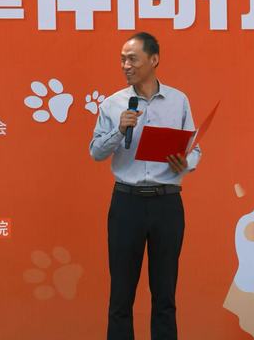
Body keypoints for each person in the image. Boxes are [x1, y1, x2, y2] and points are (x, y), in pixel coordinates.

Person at [89, 32, 202, 340]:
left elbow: (195, 149)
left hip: (167, 204)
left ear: (154, 60)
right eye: (122, 60)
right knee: (121, 296)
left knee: (165, 295)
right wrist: (119, 130)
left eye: (132, 59)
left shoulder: (178, 101)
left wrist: (184, 163)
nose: (126, 65)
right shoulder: (113, 104)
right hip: (127, 204)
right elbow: (96, 152)